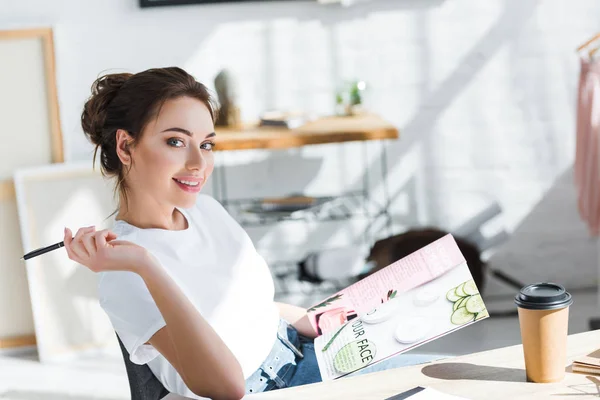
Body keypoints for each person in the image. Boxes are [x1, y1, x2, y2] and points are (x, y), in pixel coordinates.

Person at [65, 67, 442, 400]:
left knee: (462, 374)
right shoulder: (125, 273)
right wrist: (146, 264)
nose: (199, 163)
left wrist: (318, 318)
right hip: (273, 390)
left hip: (307, 350)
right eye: (176, 142)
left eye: (207, 144)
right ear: (126, 146)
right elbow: (226, 386)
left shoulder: (206, 211)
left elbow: (242, 305)